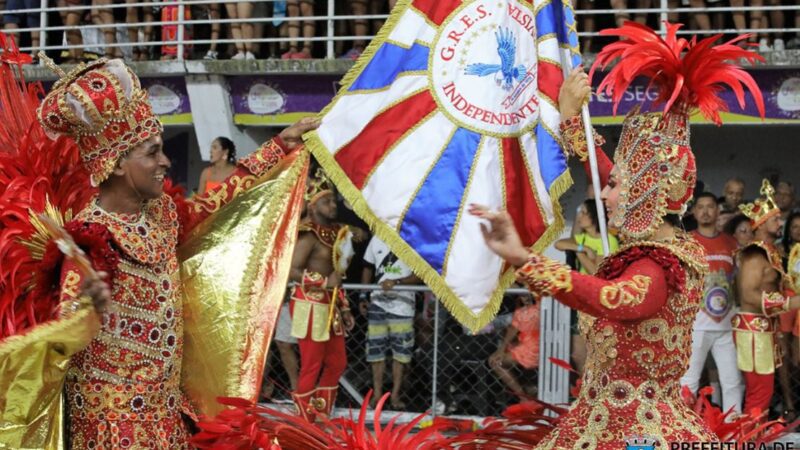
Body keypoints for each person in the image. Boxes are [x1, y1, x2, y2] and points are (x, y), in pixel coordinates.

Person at [470, 21, 766, 447]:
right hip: (607, 420)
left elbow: (612, 297)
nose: (603, 195)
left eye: (613, 188)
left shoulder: (658, 265)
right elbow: (613, 173)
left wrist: (525, 259)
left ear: (645, 194)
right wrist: (571, 120)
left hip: (635, 434)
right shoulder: (663, 244)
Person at [8, 55, 319, 447]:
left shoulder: (163, 215)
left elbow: (214, 203)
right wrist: (81, 312)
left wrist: (276, 148)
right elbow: (58, 343)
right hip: (111, 431)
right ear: (117, 163)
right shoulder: (89, 240)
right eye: (152, 152)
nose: (165, 161)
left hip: (167, 418)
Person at [288, 169, 356, 422]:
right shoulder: (309, 234)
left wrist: (345, 307)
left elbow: (337, 273)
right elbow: (291, 270)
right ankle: (304, 422)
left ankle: (320, 415)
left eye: (333, 200)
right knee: (311, 365)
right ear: (313, 205)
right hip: (309, 304)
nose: (333, 205)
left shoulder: (337, 234)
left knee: (337, 363)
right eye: (326, 201)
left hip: (331, 305)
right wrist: (324, 282)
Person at [734, 179, 800, 418]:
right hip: (754, 330)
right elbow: (748, 294)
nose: (780, 222)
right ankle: (747, 440)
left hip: (764, 329)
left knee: (763, 392)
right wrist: (789, 303)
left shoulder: (771, 252)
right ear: (761, 224)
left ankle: (751, 438)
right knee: (759, 394)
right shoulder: (755, 254)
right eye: (775, 219)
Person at [680, 192, 743, 414]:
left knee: (732, 380)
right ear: (694, 212)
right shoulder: (687, 243)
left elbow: (739, 280)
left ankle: (733, 432)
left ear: (718, 212)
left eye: (710, 207)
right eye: (701, 207)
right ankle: (683, 430)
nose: (706, 211)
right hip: (696, 325)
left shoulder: (731, 243)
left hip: (726, 325)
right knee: (688, 381)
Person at [555, 199, 619, 374]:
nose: (580, 217)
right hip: (580, 299)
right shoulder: (580, 238)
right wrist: (582, 247)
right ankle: (583, 389)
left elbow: (595, 271)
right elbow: (558, 244)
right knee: (577, 354)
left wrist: (580, 253)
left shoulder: (609, 241)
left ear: (594, 216)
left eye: (584, 213)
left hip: (598, 300)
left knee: (598, 350)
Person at [359, 235, 421, 410]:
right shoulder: (377, 238)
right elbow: (367, 268)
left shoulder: (413, 239)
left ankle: (395, 395)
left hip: (403, 306)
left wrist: (398, 282)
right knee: (375, 351)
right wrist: (363, 295)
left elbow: (421, 274)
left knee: (401, 354)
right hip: (377, 303)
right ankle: (377, 394)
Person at [488, 295, 540, 399]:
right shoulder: (534, 308)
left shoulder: (529, 311)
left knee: (495, 362)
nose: (525, 297)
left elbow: (513, 329)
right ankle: (528, 392)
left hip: (533, 347)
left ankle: (523, 398)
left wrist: (501, 350)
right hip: (531, 343)